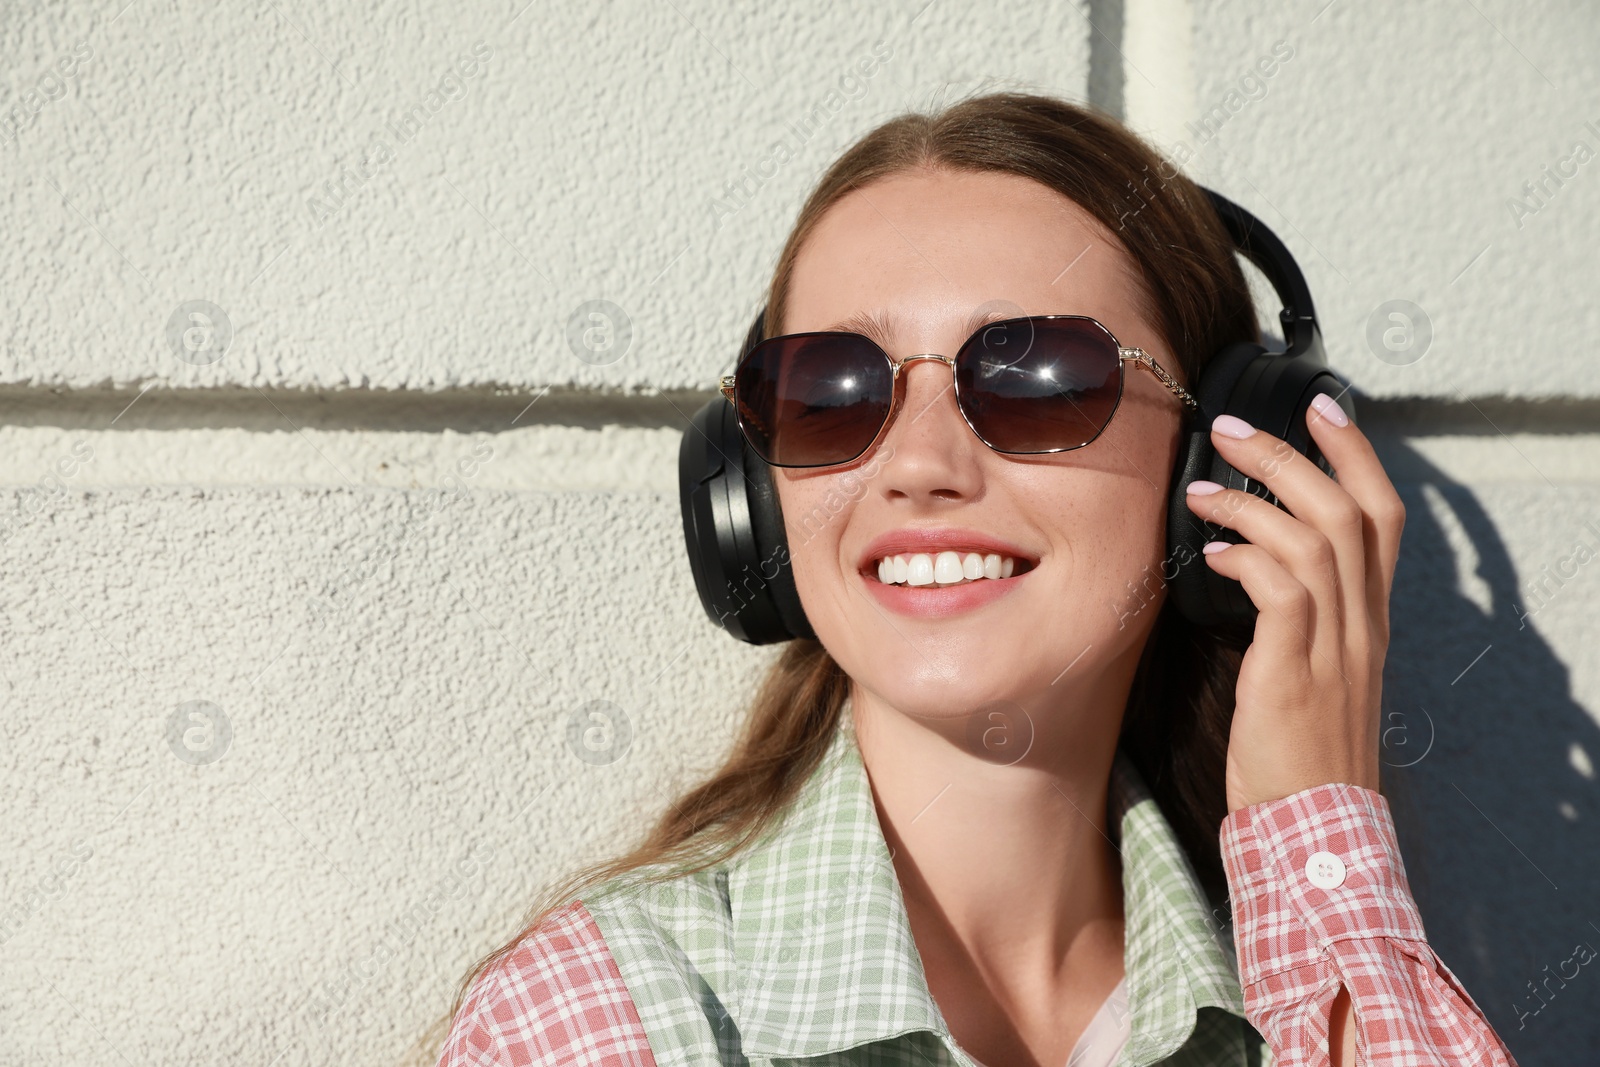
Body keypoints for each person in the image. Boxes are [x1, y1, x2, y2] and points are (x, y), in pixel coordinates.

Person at [429, 92, 1520, 1067]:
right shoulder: (594, 1022)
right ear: (750, 489)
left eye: (1037, 373)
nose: (916, 465)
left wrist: (1318, 831)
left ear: (1223, 457)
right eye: (830, 386)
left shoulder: (1304, 997)